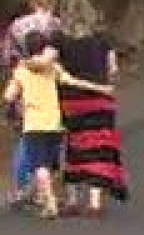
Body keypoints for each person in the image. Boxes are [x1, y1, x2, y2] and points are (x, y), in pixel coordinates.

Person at [4, 33, 114, 218]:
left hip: (34, 123)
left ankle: (50, 203)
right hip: (55, 123)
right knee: (52, 164)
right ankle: (44, 197)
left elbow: (9, 96)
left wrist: (15, 106)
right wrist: (101, 88)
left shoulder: (22, 70)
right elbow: (73, 81)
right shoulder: (53, 68)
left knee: (40, 165)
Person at [55, 0, 128, 216]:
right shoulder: (103, 39)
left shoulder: (59, 40)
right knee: (99, 148)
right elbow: (113, 69)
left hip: (72, 101)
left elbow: (56, 70)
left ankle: (72, 199)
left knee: (74, 145)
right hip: (100, 99)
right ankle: (95, 202)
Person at [5, 0, 61, 208]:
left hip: (24, 83)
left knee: (27, 135)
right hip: (52, 85)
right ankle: (45, 187)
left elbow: (8, 56)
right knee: (51, 134)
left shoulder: (17, 26)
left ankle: (23, 186)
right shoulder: (57, 25)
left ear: (31, 1)